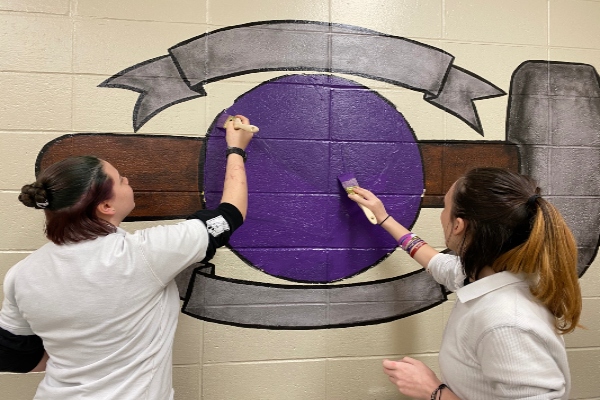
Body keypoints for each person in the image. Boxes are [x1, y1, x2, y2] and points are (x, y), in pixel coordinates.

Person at [0, 115, 254, 399]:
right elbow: (229, 215)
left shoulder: (21, 274)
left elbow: (14, 358)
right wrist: (236, 148)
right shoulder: (143, 255)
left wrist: (80, 359)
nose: (128, 180)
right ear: (106, 205)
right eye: (121, 180)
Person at [348, 167, 582, 400]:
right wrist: (383, 218)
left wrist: (434, 391)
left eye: (445, 205)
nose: (442, 214)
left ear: (459, 225)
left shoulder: (506, 322)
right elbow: (436, 262)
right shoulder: (488, 275)